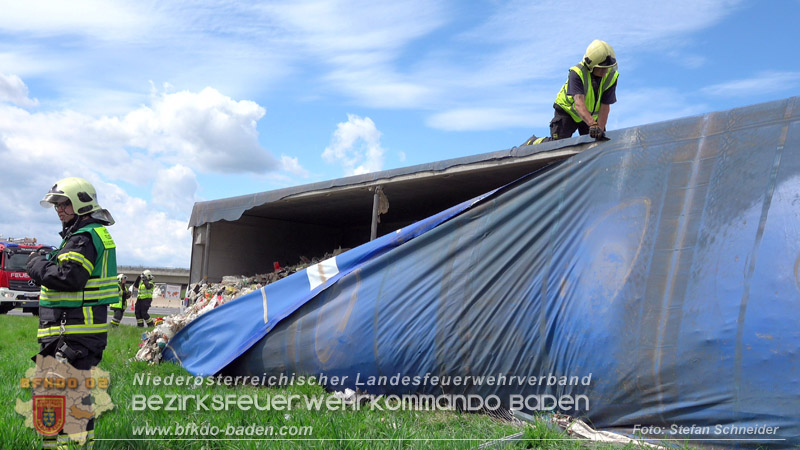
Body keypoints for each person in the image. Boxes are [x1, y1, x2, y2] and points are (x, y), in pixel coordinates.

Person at [26, 176, 119, 448]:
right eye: (56, 205)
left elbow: (68, 278)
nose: (59, 210)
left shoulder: (84, 237)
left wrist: (36, 265)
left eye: (64, 204)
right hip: (75, 335)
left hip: (73, 336)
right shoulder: (84, 236)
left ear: (81, 203)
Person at [523, 40, 619, 145]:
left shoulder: (611, 77)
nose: (604, 72)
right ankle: (533, 142)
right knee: (558, 144)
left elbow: (605, 106)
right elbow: (579, 102)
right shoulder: (577, 73)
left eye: (607, 68)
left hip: (590, 116)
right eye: (601, 69)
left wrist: (599, 130)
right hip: (568, 111)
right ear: (591, 65)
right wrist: (592, 125)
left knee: (595, 144)